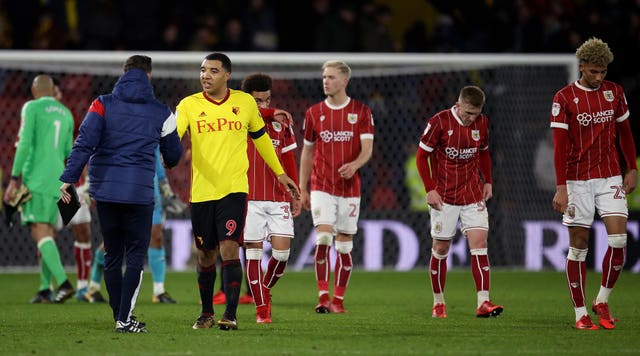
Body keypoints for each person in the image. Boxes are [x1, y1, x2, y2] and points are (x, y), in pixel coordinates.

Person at [176, 52, 299, 330]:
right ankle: (207, 312)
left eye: (213, 71)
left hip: (234, 189)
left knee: (230, 248)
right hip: (202, 192)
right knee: (206, 254)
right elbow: (175, 136)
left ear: (227, 75)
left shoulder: (243, 103)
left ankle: (230, 314)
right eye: (203, 70)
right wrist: (168, 153)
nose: (205, 75)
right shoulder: (189, 105)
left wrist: (281, 174)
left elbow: (261, 138)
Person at [59, 55, 183, 333]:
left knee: (113, 254)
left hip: (106, 192)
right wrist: (168, 160)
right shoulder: (161, 111)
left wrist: (68, 178)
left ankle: (120, 315)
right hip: (140, 194)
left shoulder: (102, 104)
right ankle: (124, 319)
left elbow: (84, 143)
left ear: (123, 73)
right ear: (149, 76)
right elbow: (173, 154)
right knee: (136, 255)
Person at [550, 37, 637, 330]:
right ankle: (580, 313)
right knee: (579, 246)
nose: (599, 78)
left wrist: (632, 167)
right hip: (576, 181)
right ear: (582, 66)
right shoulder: (563, 98)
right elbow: (559, 148)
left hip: (610, 174)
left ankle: (602, 299)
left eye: (603, 72)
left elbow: (625, 133)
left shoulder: (615, 93)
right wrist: (561, 187)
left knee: (619, 240)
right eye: (593, 72)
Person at [416, 85, 503, 319]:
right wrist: (430, 189)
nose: (470, 118)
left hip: (472, 193)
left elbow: (484, 152)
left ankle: (483, 302)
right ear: (458, 104)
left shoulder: (482, 123)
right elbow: (421, 156)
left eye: (475, 114)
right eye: (467, 113)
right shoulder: (439, 122)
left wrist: (488, 181)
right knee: (441, 248)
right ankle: (438, 302)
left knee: (479, 243)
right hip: (444, 197)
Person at [299, 60, 374, 314]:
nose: (325, 81)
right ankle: (322, 297)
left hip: (350, 188)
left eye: (331, 77)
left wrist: (354, 165)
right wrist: (302, 187)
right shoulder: (313, 113)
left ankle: (338, 300)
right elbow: (307, 152)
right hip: (321, 185)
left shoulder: (361, 112)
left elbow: (367, 150)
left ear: (344, 81)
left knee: (343, 245)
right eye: (324, 76)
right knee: (322, 237)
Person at [3, 74, 76, 304]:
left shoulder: (31, 107)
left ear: (35, 91)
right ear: (53, 89)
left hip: (36, 179)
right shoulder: (66, 113)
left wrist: (14, 178)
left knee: (39, 232)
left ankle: (63, 283)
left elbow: (24, 142)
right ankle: (45, 288)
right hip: (57, 182)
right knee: (49, 234)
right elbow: (68, 151)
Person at [241, 72, 301, 323]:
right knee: (253, 252)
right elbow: (251, 114)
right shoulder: (238, 119)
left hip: (277, 196)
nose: (263, 105)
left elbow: (288, 158)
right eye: (257, 101)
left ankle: (263, 290)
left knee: (282, 255)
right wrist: (270, 111)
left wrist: (295, 191)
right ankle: (262, 309)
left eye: (266, 100)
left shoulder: (281, 124)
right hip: (249, 196)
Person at [51, 78, 94, 302]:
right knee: (46, 234)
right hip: (48, 183)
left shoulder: (68, 116)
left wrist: (85, 183)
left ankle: (82, 286)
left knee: (83, 230)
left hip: (72, 185)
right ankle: (47, 287)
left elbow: (80, 148)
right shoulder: (35, 116)